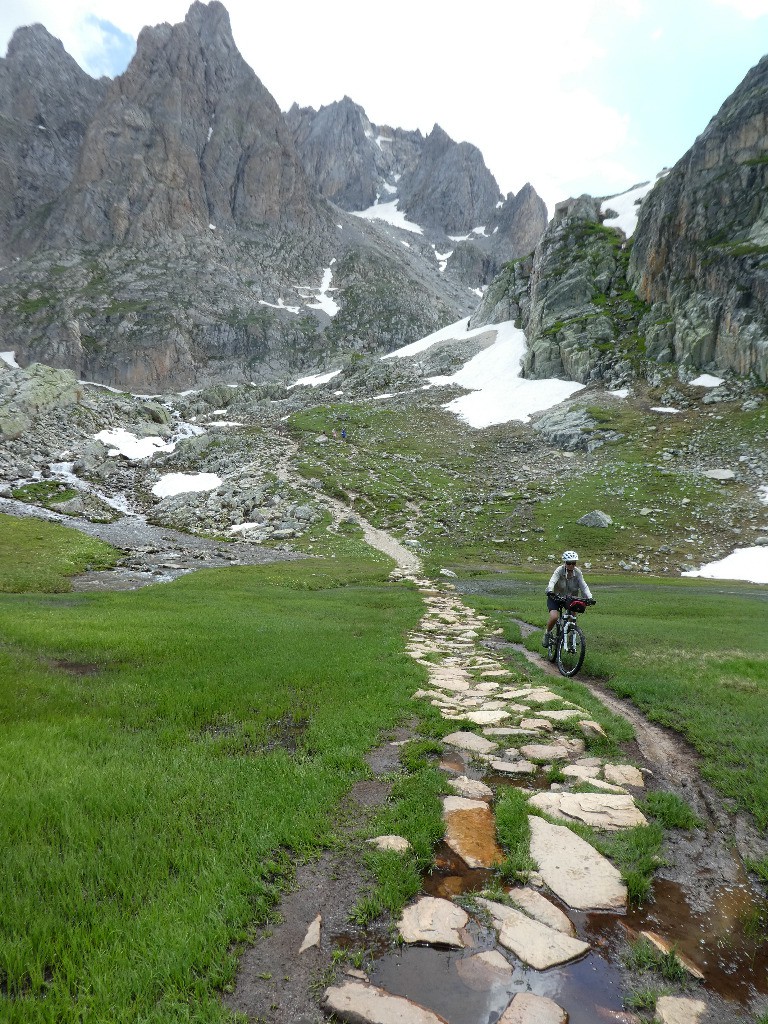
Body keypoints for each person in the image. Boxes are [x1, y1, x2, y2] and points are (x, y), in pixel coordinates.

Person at [543, 550, 595, 646]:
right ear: (565, 563)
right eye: (569, 563)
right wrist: (550, 590)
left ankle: (572, 635)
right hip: (555, 597)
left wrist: (590, 597)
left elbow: (584, 586)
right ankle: (547, 633)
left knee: (572, 617)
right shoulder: (559, 570)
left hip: (570, 598)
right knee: (554, 617)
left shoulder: (578, 572)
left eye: (573, 563)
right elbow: (552, 581)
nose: (571, 565)